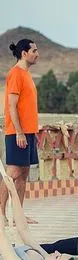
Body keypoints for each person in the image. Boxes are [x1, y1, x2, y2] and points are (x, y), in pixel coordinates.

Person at [0, 171, 78, 260]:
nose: (57, 252)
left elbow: (2, 238)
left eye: (58, 257)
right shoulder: (42, 258)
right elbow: (23, 229)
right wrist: (13, 192)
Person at [1, 39, 41, 225]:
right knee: (13, 173)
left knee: (23, 175)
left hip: (29, 133)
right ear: (24, 53)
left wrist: (32, 132)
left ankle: (18, 216)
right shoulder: (15, 74)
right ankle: (1, 214)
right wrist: (19, 132)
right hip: (17, 133)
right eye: (34, 51)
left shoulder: (27, 75)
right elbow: (11, 106)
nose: (37, 54)